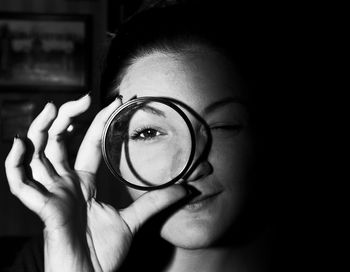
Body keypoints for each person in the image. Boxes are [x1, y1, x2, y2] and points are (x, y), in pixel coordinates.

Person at [5, 1, 282, 271]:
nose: (193, 166)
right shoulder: (51, 256)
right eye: (149, 132)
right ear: (113, 147)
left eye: (222, 126)